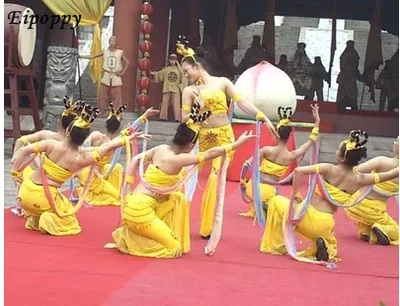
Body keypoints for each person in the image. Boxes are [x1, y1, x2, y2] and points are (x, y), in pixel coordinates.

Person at [107, 103, 257, 258]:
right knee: (174, 248)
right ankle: (131, 242)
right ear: (190, 145)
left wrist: (128, 188)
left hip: (133, 203)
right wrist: (236, 144)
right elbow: (209, 154)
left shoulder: (161, 149)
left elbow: (136, 160)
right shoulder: (178, 160)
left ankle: (136, 233)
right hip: (140, 211)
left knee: (178, 198)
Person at [177, 36, 278, 238]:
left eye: (187, 71)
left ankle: (207, 227)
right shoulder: (189, 91)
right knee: (184, 176)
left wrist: (263, 117)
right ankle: (177, 219)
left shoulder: (222, 82)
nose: (186, 76)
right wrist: (198, 107)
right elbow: (185, 118)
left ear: (196, 66)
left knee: (215, 178)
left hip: (224, 136)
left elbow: (241, 102)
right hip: (203, 137)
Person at [260, 130, 399, 263]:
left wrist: (296, 194)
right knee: (330, 243)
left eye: (338, 149)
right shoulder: (360, 179)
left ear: (342, 157)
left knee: (276, 201)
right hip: (326, 224)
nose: (336, 151)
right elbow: (390, 175)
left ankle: (279, 246)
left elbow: (298, 171)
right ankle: (323, 244)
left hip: (303, 217)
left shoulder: (328, 169)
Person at [11, 104, 149, 236]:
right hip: (43, 198)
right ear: (84, 138)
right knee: (69, 218)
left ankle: (35, 216)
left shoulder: (50, 144)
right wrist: (125, 139)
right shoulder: (79, 159)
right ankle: (46, 219)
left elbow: (23, 149)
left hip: (25, 193)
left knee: (62, 204)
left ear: (68, 131)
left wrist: (15, 172)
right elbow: (103, 149)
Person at [240, 104, 320, 218]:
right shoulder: (291, 156)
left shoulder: (266, 150)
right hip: (268, 192)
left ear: (276, 134)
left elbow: (247, 164)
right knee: (276, 194)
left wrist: (242, 180)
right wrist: (317, 120)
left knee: (253, 178)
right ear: (289, 135)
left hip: (252, 189)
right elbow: (311, 141)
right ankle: (265, 205)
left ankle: (257, 207)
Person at [76, 102, 159, 206]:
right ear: (118, 128)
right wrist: (144, 116)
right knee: (118, 197)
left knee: (117, 167)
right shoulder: (111, 142)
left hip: (97, 171)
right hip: (89, 174)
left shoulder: (101, 136)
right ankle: (89, 190)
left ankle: (98, 188)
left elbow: (81, 149)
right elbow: (81, 150)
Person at [11, 97, 83, 216]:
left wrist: (15, 167)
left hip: (32, 175)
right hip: (45, 180)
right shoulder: (73, 148)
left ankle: (22, 205)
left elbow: (20, 141)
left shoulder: (46, 135)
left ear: (59, 121)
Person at [345, 136, 399, 245]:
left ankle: (366, 231)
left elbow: (355, 171)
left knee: (367, 220)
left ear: (395, 146)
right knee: (396, 230)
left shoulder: (382, 161)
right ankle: (379, 228)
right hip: (374, 210)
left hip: (357, 203)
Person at [79, 36, 129, 110]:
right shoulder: (105, 51)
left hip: (116, 76)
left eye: (113, 41)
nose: (112, 42)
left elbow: (127, 62)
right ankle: (101, 112)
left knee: (116, 97)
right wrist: (81, 56)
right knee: (103, 95)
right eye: (111, 41)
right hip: (106, 75)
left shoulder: (120, 52)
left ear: (115, 42)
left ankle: (116, 113)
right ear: (109, 42)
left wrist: (122, 73)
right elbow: (93, 56)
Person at [150, 54, 187, 122]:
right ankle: (163, 117)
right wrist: (153, 74)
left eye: (173, 60)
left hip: (176, 89)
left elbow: (184, 79)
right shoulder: (166, 69)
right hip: (167, 87)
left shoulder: (180, 70)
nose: (172, 62)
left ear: (176, 61)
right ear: (169, 61)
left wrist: (181, 87)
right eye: (171, 60)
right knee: (164, 103)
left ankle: (177, 118)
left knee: (176, 104)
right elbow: (159, 74)